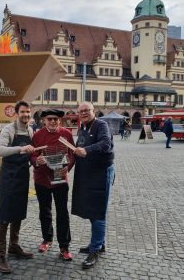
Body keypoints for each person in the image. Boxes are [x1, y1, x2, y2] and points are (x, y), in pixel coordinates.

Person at [72, 102, 115, 269]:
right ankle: (99, 243)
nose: (83, 113)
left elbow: (106, 144)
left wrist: (87, 150)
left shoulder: (101, 125)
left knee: (98, 211)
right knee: (91, 208)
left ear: (93, 111)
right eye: (81, 111)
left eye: (86, 110)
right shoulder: (82, 128)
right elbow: (77, 149)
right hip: (88, 173)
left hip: (101, 172)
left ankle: (95, 249)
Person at [0, 100, 35, 274]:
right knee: (4, 215)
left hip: (22, 176)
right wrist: (20, 148)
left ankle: (14, 245)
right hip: (8, 177)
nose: (26, 115)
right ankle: (0, 255)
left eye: (28, 112)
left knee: (18, 211)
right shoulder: (8, 130)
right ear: (17, 113)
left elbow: (30, 152)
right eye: (23, 112)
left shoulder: (30, 130)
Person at [30, 109, 75, 261]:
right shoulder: (37, 135)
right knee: (45, 211)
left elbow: (72, 154)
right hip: (41, 179)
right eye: (50, 119)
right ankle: (47, 239)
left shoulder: (66, 134)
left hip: (59, 178)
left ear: (59, 120)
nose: (53, 121)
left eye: (56, 119)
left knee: (62, 213)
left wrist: (66, 168)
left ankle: (64, 246)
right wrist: (37, 160)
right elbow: (32, 155)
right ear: (44, 120)